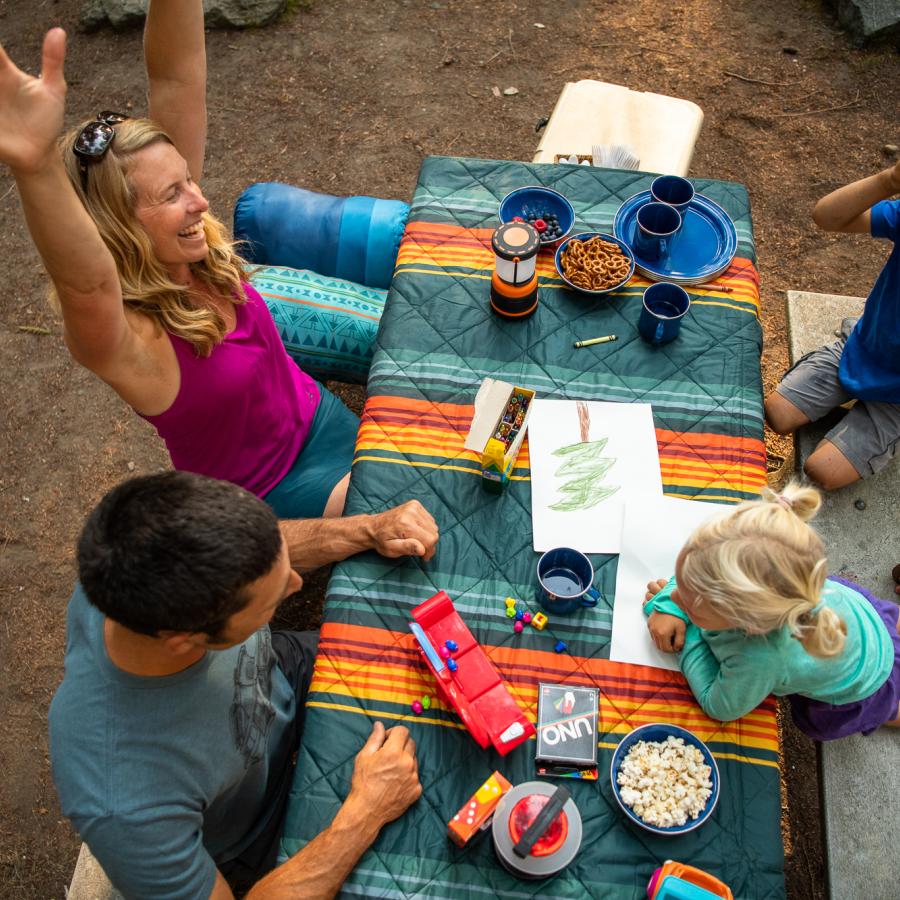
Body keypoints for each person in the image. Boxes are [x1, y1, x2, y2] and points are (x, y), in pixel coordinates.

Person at [0, 1, 355, 519]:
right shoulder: (132, 339)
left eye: (189, 177)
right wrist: (33, 168)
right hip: (276, 493)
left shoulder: (187, 243)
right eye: (172, 194)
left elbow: (176, 79)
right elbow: (85, 286)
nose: (201, 201)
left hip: (319, 413)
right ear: (120, 225)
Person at [50, 471, 439, 899]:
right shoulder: (123, 801)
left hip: (280, 675)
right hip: (257, 828)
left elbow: (265, 552)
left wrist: (367, 529)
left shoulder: (142, 549)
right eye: (272, 602)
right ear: (186, 641)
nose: (296, 585)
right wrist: (365, 812)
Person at [643, 482, 900, 740]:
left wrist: (689, 636)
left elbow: (719, 706)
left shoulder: (760, 657)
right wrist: (675, 606)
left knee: (881, 707)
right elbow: (701, 567)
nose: (675, 594)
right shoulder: (778, 579)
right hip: (866, 616)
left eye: (690, 599)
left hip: (865, 684)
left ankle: (891, 711)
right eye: (681, 579)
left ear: (746, 623)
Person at [765, 161, 900, 490]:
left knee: (822, 471)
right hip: (865, 348)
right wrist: (889, 179)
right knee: (777, 413)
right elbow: (827, 216)